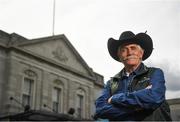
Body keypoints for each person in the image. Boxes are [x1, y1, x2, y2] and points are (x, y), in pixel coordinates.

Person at [94, 31, 172, 121]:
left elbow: (154, 97)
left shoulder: (155, 73)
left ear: (141, 53)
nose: (129, 52)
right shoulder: (111, 83)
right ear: (119, 56)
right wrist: (139, 106)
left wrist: (115, 99)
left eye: (133, 48)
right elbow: (100, 109)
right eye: (124, 49)